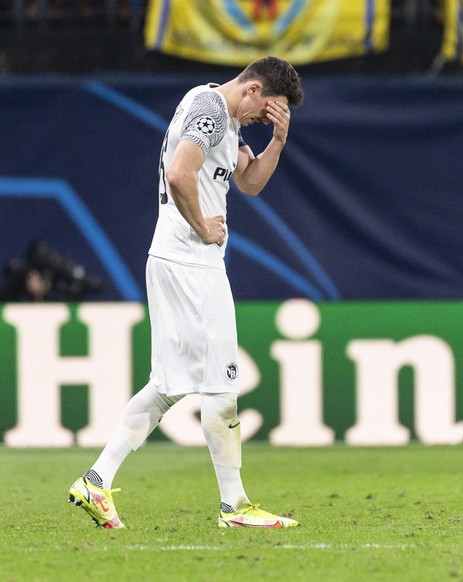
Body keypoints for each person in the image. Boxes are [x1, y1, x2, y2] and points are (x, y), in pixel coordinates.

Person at [68, 56, 304, 528]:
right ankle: (233, 507)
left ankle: (95, 480)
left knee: (168, 384)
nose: (265, 119)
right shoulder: (213, 110)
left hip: (177, 260)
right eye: (269, 110)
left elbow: (250, 182)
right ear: (254, 89)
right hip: (190, 260)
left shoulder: (220, 114)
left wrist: (278, 140)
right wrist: (203, 227)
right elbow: (179, 173)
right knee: (223, 383)